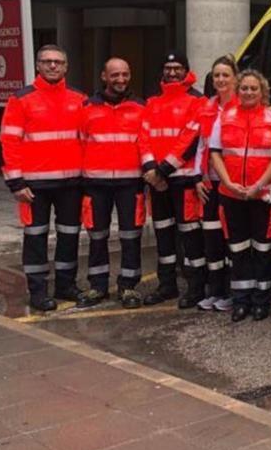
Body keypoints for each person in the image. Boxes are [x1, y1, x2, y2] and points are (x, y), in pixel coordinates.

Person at [0, 45, 85, 311]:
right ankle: (38, 292)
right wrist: (16, 182)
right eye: (47, 62)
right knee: (35, 238)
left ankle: (65, 285)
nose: (52, 66)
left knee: (69, 236)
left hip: (71, 183)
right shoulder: (21, 99)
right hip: (34, 186)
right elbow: (9, 141)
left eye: (58, 62)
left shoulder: (78, 99)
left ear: (66, 67)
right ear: (38, 65)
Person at [208, 70, 271, 322]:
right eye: (244, 88)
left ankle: (261, 301)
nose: (249, 92)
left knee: (263, 250)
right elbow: (215, 153)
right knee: (239, 250)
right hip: (232, 194)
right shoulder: (224, 118)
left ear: (263, 91)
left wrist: (258, 184)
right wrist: (229, 183)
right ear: (238, 90)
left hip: (263, 195)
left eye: (254, 88)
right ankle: (241, 301)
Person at [75, 57, 148, 309]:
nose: (121, 80)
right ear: (104, 77)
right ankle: (98, 285)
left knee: (131, 236)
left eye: (125, 74)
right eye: (115, 75)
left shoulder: (141, 107)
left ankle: (128, 286)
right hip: (95, 183)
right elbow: (80, 142)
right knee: (97, 236)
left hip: (131, 182)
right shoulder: (86, 108)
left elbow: (145, 142)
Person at [140, 52, 205, 308]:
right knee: (163, 234)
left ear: (186, 70)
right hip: (158, 182)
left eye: (178, 68)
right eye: (168, 67)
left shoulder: (197, 100)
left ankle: (196, 287)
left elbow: (189, 141)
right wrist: (150, 170)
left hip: (183, 180)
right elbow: (143, 137)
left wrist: (161, 171)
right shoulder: (152, 102)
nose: (172, 72)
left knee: (190, 237)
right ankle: (167, 285)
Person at [193, 55, 239, 312]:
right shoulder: (208, 107)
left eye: (225, 75)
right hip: (209, 182)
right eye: (216, 76)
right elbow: (202, 145)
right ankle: (216, 290)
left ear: (235, 77)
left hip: (231, 185)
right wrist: (198, 177)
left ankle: (232, 292)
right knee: (211, 239)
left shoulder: (242, 106)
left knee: (231, 238)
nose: (221, 80)